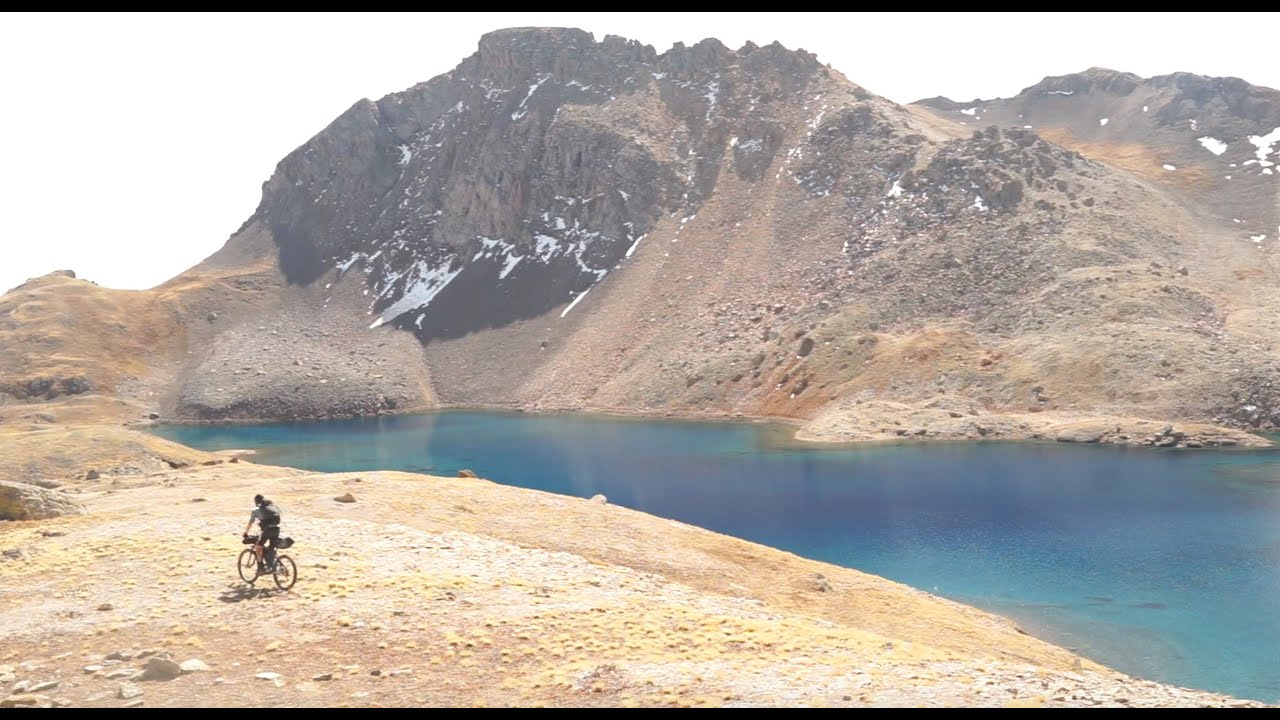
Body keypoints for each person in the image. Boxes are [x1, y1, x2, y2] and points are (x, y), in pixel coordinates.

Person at [242, 494, 282, 571]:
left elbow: (250, 523)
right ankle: (273, 565)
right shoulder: (271, 508)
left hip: (266, 531)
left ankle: (261, 568)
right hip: (276, 529)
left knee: (257, 548)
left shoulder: (256, 510)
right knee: (271, 548)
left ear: (256, 502)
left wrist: (245, 533)